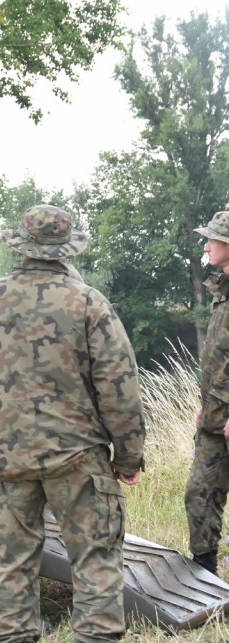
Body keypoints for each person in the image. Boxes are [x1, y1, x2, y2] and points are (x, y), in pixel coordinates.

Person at [0, 204, 145, 643]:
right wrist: (128, 457)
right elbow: (120, 386)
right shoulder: (89, 302)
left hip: (6, 460)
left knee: (10, 564)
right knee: (95, 561)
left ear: (21, 246)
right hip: (78, 458)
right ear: (66, 250)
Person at [184, 211, 229, 575]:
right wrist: (208, 403)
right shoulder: (222, 292)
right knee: (199, 494)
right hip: (215, 418)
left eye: (212, 239)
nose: (206, 246)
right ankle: (206, 582)